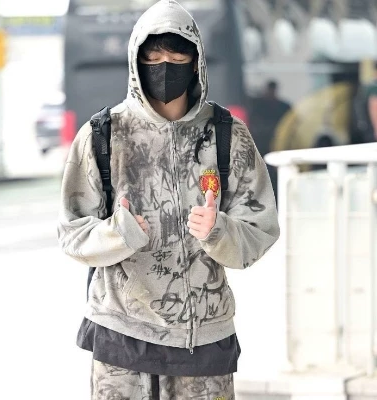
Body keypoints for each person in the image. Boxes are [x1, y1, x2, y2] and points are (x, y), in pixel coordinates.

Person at [57, 1, 280, 398]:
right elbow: (72, 233)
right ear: (136, 61)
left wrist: (219, 231)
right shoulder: (102, 135)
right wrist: (118, 234)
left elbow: (261, 228)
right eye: (153, 58)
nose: (164, 67)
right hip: (121, 334)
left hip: (204, 338)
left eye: (177, 58)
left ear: (196, 63)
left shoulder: (227, 134)